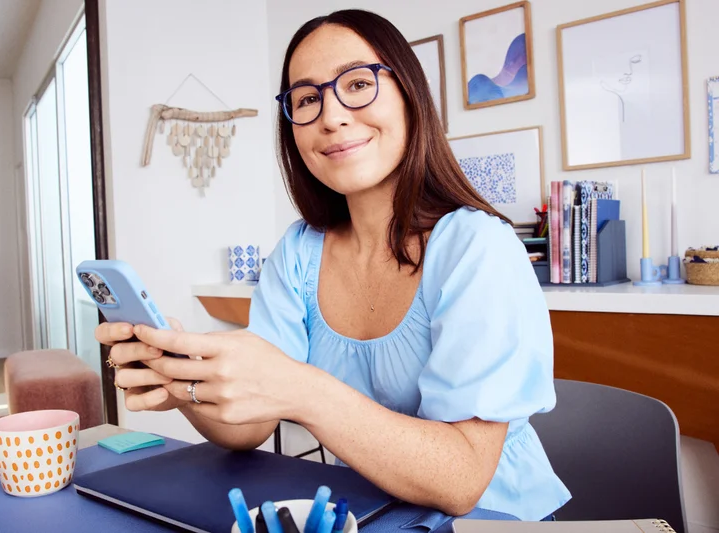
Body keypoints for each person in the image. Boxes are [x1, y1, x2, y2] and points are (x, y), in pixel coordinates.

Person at [96, 9, 571, 521]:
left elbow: (461, 481)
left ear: (411, 96)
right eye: (306, 99)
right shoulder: (298, 253)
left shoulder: (478, 248)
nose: (331, 115)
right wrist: (179, 377)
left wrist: (298, 389)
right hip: (368, 515)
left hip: (496, 522)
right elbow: (250, 426)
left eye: (359, 83)